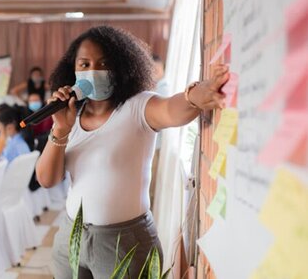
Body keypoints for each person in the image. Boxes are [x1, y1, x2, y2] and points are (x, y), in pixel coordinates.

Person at [35, 26, 229, 278]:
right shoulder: (71, 115)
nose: (93, 70)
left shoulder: (138, 106)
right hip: (71, 236)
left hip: (123, 243)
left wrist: (195, 96)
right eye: (84, 64)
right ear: (72, 70)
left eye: (104, 63)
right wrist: (61, 128)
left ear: (120, 67)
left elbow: (171, 109)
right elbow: (46, 179)